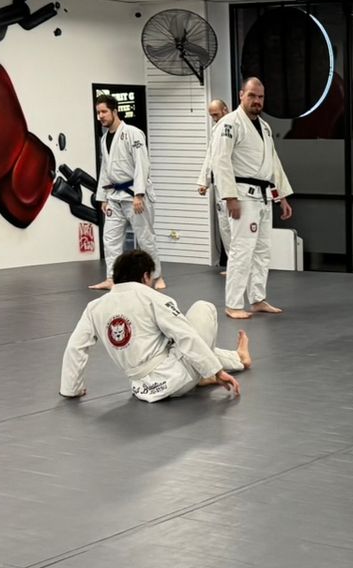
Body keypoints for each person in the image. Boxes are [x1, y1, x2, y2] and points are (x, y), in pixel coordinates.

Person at [60, 249, 248, 402]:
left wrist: (71, 389)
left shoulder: (94, 307)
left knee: (174, 343)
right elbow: (186, 336)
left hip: (141, 388)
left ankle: (237, 357)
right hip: (176, 380)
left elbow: (75, 347)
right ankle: (209, 372)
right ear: (145, 276)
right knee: (203, 308)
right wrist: (217, 372)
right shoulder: (153, 298)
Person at [211, 75, 294, 320]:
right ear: (241, 95)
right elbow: (221, 162)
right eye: (252, 96)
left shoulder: (265, 127)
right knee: (241, 250)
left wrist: (282, 197)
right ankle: (234, 303)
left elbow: (273, 165)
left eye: (260, 97)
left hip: (264, 195)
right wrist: (229, 197)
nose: (257, 101)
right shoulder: (229, 124)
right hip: (242, 196)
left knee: (262, 250)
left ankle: (258, 299)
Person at [89, 95, 163, 292]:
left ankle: (156, 276)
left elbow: (142, 163)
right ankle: (111, 278)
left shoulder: (133, 133)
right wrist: (102, 197)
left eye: (104, 112)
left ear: (115, 111)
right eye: (98, 113)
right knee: (110, 238)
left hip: (133, 194)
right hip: (114, 195)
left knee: (145, 237)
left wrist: (139, 194)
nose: (100, 116)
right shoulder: (105, 139)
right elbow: (105, 168)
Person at [195, 97, 232, 266]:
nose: (214, 118)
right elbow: (210, 157)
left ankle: (240, 267)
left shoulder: (233, 126)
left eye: (216, 114)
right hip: (219, 186)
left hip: (234, 185)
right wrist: (204, 182)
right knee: (224, 226)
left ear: (225, 110)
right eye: (212, 116)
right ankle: (232, 264)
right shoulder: (217, 130)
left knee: (235, 227)